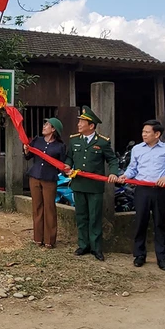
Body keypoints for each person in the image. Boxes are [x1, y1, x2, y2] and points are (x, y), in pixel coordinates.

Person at [118, 120, 165, 269]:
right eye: (143, 132)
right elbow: (133, 168)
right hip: (142, 190)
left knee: (160, 224)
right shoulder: (137, 149)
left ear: (157, 134)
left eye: (147, 132)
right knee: (140, 222)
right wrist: (125, 176)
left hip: (160, 191)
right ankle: (139, 255)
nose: (144, 135)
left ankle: (162, 258)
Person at [63, 106, 120, 261]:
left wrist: (114, 172)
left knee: (95, 217)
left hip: (94, 187)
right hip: (78, 184)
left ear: (91, 126)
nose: (79, 124)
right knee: (81, 216)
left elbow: (112, 160)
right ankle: (83, 245)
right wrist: (67, 166)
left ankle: (96, 248)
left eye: (83, 122)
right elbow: (69, 157)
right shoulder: (74, 140)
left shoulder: (102, 142)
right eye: (80, 121)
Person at [23, 117, 67, 248]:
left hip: (49, 179)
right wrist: (26, 150)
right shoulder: (37, 141)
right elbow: (28, 157)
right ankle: (38, 238)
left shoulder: (60, 146)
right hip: (35, 176)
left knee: (49, 208)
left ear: (53, 129)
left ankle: (49, 240)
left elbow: (63, 164)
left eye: (47, 125)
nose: (44, 126)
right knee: (37, 207)